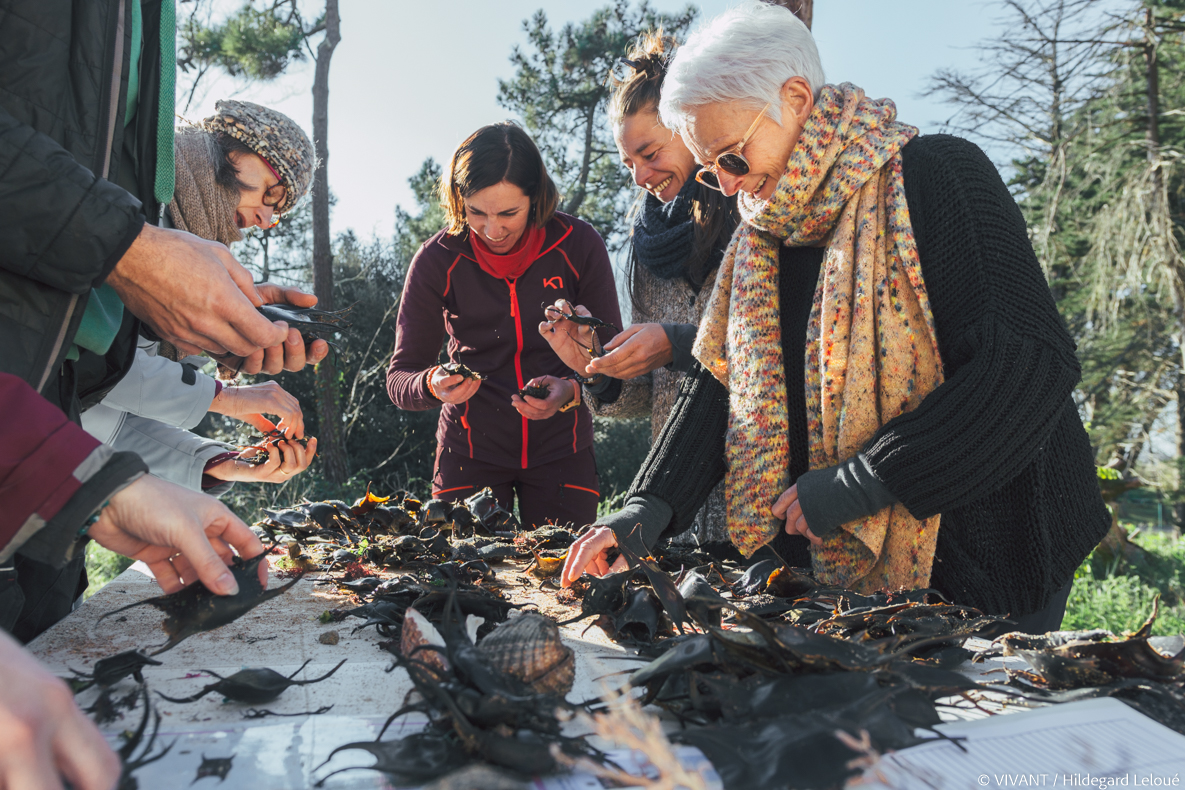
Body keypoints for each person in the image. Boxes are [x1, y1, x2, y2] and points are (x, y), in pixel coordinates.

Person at [560, 1, 1110, 632]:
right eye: (710, 172)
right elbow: (724, 382)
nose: (730, 186)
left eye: (733, 158)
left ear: (795, 97)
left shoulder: (941, 176)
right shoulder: (756, 241)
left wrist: (868, 479)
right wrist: (645, 509)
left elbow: (1027, 365)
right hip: (834, 571)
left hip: (998, 548)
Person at [539, 31, 738, 545]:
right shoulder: (648, 248)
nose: (640, 177)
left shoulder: (756, 220)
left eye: (649, 153)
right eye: (629, 163)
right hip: (679, 512)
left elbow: (781, 353)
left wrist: (677, 342)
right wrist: (597, 368)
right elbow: (648, 397)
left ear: (692, 125)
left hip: (761, 496)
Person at [387, 123, 622, 530]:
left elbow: (614, 368)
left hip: (563, 454)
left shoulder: (579, 244)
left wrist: (570, 390)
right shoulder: (436, 259)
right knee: (462, 586)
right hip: (467, 455)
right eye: (476, 212)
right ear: (458, 200)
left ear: (536, 197)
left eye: (508, 213)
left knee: (568, 584)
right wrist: (431, 384)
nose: (492, 230)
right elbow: (400, 378)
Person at [82, 100, 324, 494]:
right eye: (273, 192)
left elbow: (105, 418)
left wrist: (223, 464)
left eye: (278, 212)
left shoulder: (200, 241)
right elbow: (92, 363)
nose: (265, 220)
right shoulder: (125, 184)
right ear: (239, 148)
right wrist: (226, 398)